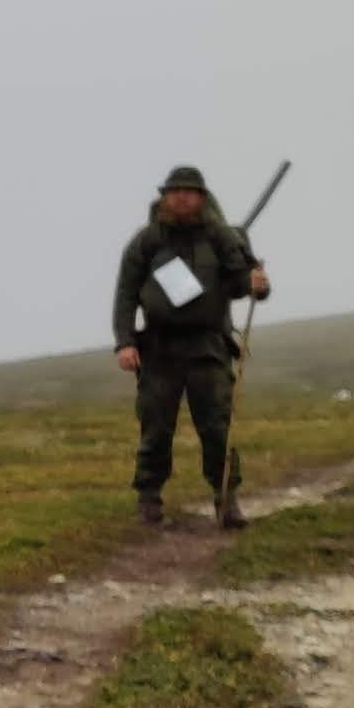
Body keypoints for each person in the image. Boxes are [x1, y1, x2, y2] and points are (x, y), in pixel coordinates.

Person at [114, 164, 270, 528]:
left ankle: (226, 500)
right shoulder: (145, 242)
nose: (182, 197)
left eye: (189, 191)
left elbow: (242, 283)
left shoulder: (221, 238)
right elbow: (125, 295)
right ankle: (148, 499)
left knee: (217, 425)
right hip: (158, 348)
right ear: (164, 197)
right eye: (175, 191)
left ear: (202, 198)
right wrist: (124, 341)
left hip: (208, 347)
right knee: (155, 425)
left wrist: (257, 284)